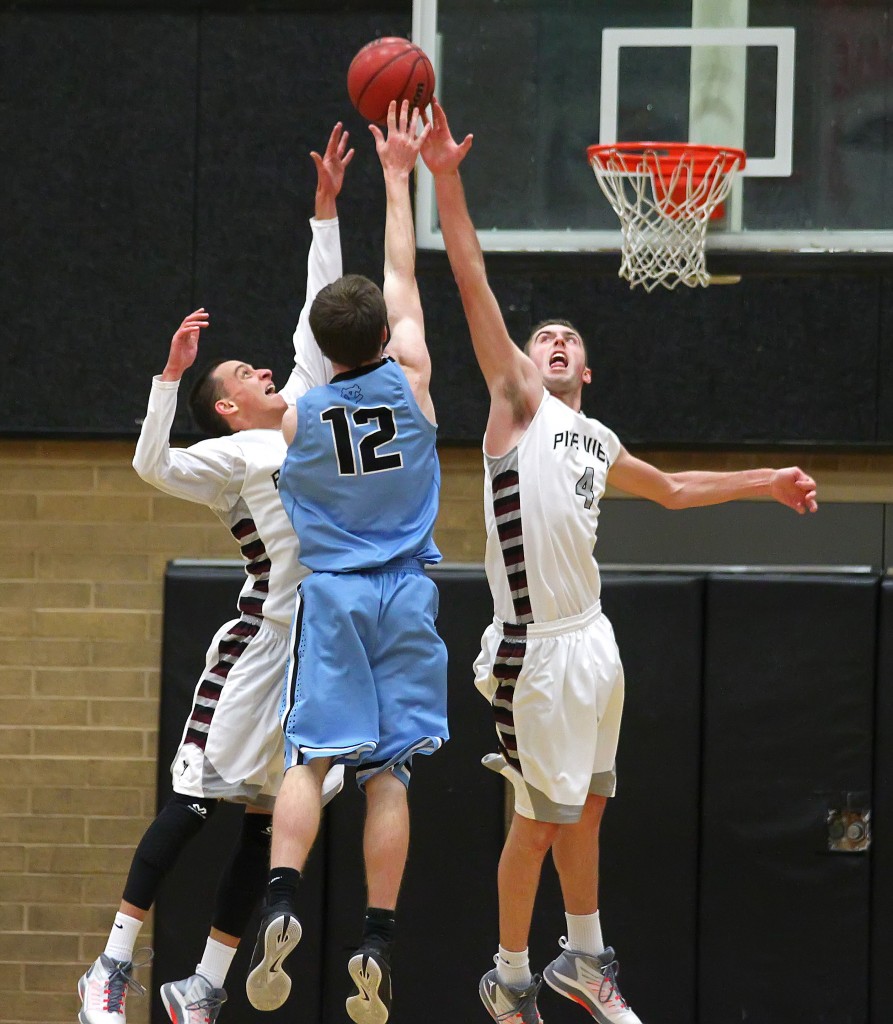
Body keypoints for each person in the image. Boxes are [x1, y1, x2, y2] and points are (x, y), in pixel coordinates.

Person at [419, 99, 819, 1024]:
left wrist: (764, 479)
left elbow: (672, 489)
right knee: (538, 819)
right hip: (534, 650)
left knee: (588, 809)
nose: (554, 344)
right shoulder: (515, 404)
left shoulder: (594, 437)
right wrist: (445, 179)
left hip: (594, 645)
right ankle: (510, 973)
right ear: (525, 358)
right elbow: (473, 284)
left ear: (586, 371)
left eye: (570, 342)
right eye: (544, 336)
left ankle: (585, 960)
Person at [76, 123, 354, 1024]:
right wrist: (171, 377)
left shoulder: (311, 407)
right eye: (244, 370)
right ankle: (111, 966)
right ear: (228, 404)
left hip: (319, 656)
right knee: (196, 802)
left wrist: (324, 211)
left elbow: (321, 311)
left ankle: (202, 986)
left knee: (266, 823)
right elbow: (150, 466)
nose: (268, 366)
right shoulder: (231, 452)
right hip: (259, 643)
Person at [244, 100, 448, 1024]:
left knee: (309, 757)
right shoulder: (411, 378)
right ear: (379, 339)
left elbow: (275, 387)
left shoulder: (292, 418)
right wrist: (397, 174)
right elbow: (401, 272)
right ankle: (376, 935)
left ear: (321, 351)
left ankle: (282, 900)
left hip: (330, 596)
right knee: (390, 773)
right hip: (406, 593)